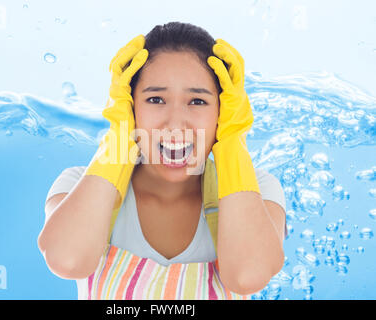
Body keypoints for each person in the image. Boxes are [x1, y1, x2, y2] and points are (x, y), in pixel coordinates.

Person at [38, 22, 287, 300]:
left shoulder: (259, 190)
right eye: (156, 99)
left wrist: (230, 142)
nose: (175, 123)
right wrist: (120, 138)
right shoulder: (78, 184)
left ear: (224, 110)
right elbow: (67, 260)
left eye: (197, 101)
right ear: (130, 107)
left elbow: (247, 276)